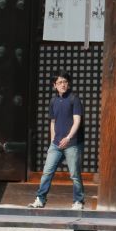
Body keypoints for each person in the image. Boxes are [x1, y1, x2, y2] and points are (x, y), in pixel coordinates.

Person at [30, 73, 84, 210]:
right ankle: (40, 199)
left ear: (69, 84)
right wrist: (53, 140)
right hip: (56, 144)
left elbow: (77, 121)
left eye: (65, 82)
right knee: (47, 172)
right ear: (54, 85)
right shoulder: (53, 101)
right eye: (59, 82)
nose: (63, 84)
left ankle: (78, 201)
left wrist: (68, 138)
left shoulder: (74, 99)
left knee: (75, 174)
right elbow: (53, 122)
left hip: (72, 144)